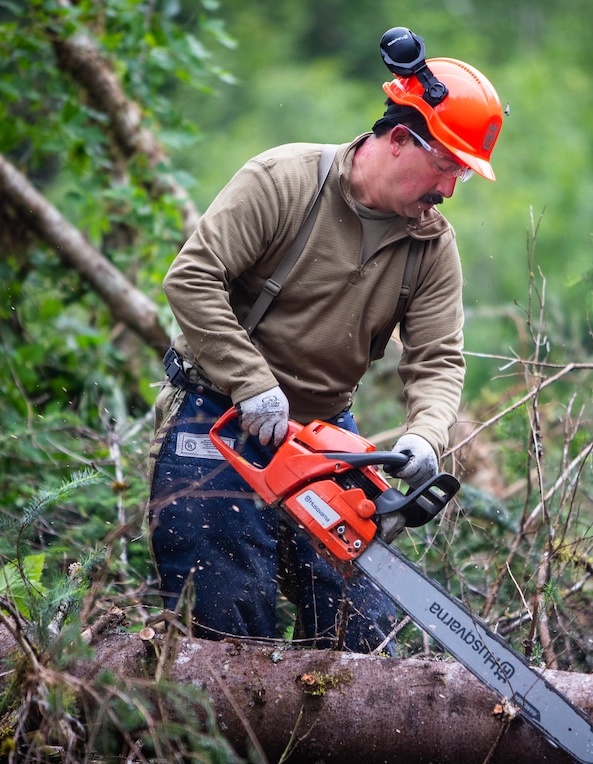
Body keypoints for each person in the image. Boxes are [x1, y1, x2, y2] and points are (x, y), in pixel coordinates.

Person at [147, 31, 503, 653]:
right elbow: (192, 278)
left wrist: (426, 434)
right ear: (399, 140)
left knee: (360, 631)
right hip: (216, 414)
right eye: (446, 167)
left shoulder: (430, 244)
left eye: (460, 176)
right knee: (230, 628)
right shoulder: (284, 181)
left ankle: (334, 744)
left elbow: (438, 358)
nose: (447, 190)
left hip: (321, 435)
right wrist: (251, 383)